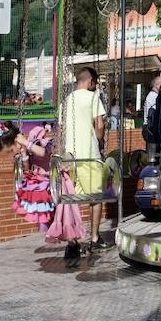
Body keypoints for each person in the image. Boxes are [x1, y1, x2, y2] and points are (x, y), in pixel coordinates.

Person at [61, 67, 107, 258]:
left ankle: (73, 243)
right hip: (89, 154)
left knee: (72, 199)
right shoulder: (93, 96)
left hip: (70, 156)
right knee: (95, 198)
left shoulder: (67, 99)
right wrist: (101, 139)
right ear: (90, 82)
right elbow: (100, 124)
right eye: (94, 83)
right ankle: (94, 238)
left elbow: (63, 128)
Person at [0, 120, 54, 233]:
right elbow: (27, 169)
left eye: (10, 150)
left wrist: (26, 143)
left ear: (17, 142)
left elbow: (44, 153)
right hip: (42, 182)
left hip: (52, 179)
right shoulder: (21, 151)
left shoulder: (33, 141)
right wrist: (24, 154)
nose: (11, 154)